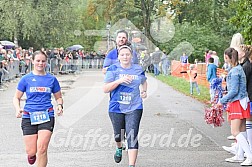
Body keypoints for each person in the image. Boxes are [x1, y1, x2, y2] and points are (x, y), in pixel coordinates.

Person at [13, 51, 64, 166]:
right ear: (33, 61)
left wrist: (60, 106)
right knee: (31, 151)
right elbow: (16, 97)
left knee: (42, 149)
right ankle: (31, 154)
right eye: (38, 61)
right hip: (28, 116)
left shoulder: (52, 79)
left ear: (46, 62)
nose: (40, 63)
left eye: (43, 61)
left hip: (47, 115)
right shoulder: (26, 79)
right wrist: (17, 108)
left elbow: (58, 97)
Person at [103, 45, 147, 167]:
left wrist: (144, 91)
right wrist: (119, 81)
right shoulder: (113, 69)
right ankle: (119, 147)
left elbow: (144, 81)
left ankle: (131, 165)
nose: (125, 57)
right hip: (116, 107)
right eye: (122, 54)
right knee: (118, 135)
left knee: (132, 135)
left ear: (131, 56)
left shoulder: (138, 69)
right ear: (118, 57)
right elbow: (105, 89)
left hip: (135, 106)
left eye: (127, 54)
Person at [217, 48, 252, 166]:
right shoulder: (238, 69)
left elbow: (234, 90)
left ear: (228, 57)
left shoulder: (235, 71)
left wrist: (221, 101)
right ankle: (240, 155)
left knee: (235, 131)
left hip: (237, 102)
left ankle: (250, 156)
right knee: (241, 131)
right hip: (242, 101)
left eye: (224, 57)